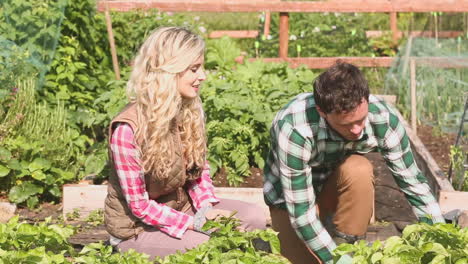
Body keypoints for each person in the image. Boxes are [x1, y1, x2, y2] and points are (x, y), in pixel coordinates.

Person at [104, 26, 266, 259]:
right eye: (194, 69)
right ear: (170, 71)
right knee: (211, 248)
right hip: (137, 227)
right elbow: (139, 206)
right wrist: (198, 222)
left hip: (181, 208)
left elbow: (199, 171)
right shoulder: (127, 129)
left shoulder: (187, 110)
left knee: (254, 218)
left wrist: (206, 209)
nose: (203, 76)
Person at [263, 62, 445, 264]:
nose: (357, 130)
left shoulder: (383, 118)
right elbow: (301, 214)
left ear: (365, 99)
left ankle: (347, 243)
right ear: (322, 111)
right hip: (291, 204)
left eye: (361, 120)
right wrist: (339, 261)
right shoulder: (294, 128)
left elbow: (415, 184)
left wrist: (442, 239)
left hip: (333, 191)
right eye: (347, 124)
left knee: (358, 169)